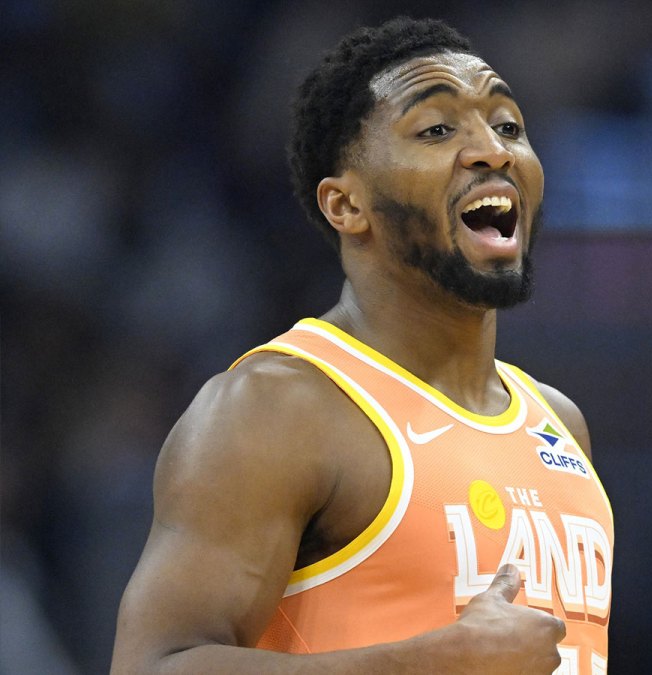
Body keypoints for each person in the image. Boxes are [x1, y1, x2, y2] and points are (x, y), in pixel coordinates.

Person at [111, 16, 613, 674]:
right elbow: (152, 664)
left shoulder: (560, 423)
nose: (493, 150)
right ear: (346, 205)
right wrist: (432, 661)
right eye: (437, 130)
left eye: (508, 126)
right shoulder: (277, 408)